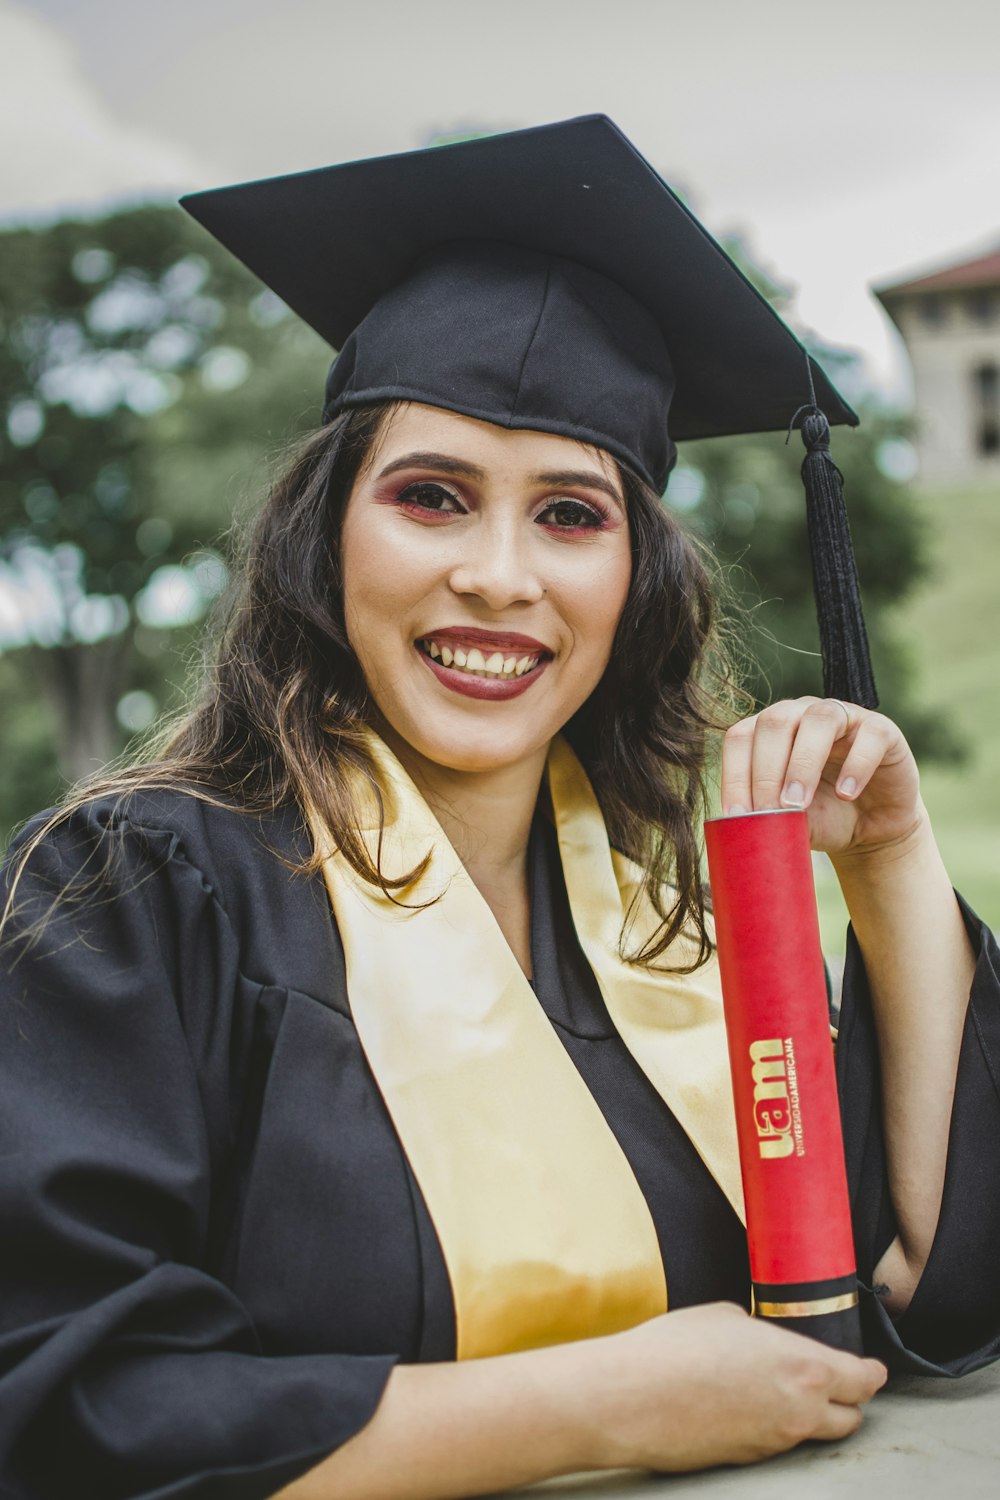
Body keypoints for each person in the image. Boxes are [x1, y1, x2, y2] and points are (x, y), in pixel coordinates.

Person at [1, 116, 999, 1500]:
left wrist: (891, 863)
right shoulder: (132, 898)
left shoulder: (679, 936)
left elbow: (922, 1287)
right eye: (432, 497)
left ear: (637, 580)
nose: (498, 575)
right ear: (326, 533)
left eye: (572, 516)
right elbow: (64, 1405)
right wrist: (598, 1409)